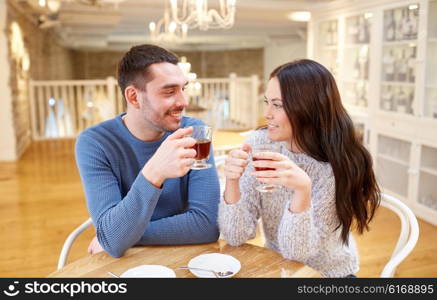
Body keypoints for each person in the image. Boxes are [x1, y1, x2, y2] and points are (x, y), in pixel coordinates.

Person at [218, 59, 380, 277]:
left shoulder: (335, 165)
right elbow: (235, 235)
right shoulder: (260, 143)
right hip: (279, 269)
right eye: (267, 102)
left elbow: (297, 253)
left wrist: (302, 190)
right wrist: (232, 181)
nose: (267, 114)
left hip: (329, 275)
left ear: (307, 108)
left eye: (278, 105)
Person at [75, 44, 220, 258]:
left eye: (183, 89)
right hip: (128, 264)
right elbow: (114, 242)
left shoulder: (194, 132)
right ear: (134, 97)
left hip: (188, 257)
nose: (184, 101)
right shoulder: (95, 143)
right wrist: (154, 172)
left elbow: (207, 225)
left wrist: (121, 234)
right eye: (170, 91)